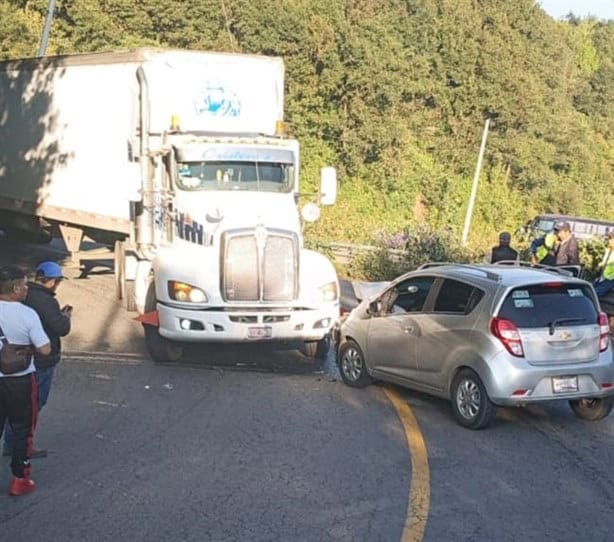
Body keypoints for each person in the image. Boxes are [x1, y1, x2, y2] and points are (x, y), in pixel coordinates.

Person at [2, 261, 72, 459]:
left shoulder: (28, 299)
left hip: (5, 367)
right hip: (31, 366)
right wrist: (65, 317)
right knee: (30, 407)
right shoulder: (39, 305)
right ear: (51, 281)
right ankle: (19, 450)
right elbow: (49, 342)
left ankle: (12, 444)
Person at [0, 265, 51, 496]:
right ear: (14, 288)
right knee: (23, 430)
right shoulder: (27, 314)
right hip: (20, 380)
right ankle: (20, 479)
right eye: (23, 285)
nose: (26, 289)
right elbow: (45, 349)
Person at [594, 231, 614, 298]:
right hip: (602, 279)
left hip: (610, 281)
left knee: (594, 295)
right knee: (589, 291)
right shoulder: (608, 250)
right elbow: (605, 262)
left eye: (611, 238)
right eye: (609, 238)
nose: (609, 241)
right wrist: (600, 265)